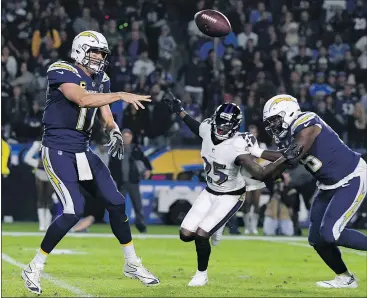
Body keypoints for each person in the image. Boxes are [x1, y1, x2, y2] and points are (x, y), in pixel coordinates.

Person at [21, 30, 159, 295]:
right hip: (58, 148)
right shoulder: (61, 69)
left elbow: (105, 116)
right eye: (94, 51)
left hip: (83, 150)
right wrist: (120, 94)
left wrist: (114, 130)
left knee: (117, 202)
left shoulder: (102, 78)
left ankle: (132, 263)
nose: (98, 57)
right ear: (79, 50)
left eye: (101, 53)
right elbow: (83, 99)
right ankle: (35, 266)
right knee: (73, 210)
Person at [162, 91, 302, 287]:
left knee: (202, 235)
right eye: (219, 122)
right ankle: (217, 226)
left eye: (226, 125)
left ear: (235, 126)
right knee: (185, 235)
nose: (221, 128)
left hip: (231, 195)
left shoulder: (239, 144)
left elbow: (261, 170)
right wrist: (179, 110)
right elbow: (195, 126)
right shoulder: (208, 128)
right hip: (209, 191)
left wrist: (285, 157)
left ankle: (201, 275)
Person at [248, 94, 367, 288]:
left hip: (351, 177)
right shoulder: (285, 136)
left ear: (288, 112)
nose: (272, 126)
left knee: (330, 233)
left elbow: (293, 155)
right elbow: (281, 165)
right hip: (327, 185)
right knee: (316, 238)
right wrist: (251, 166)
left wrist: (257, 152)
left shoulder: (306, 120)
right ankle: (345, 278)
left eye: (275, 120)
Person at [109, 128, 152, 233]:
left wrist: (148, 171)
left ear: (131, 137)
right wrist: (113, 178)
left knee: (138, 205)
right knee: (118, 205)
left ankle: (141, 226)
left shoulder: (136, 149)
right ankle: (118, 225)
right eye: (124, 136)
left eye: (128, 136)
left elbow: (146, 162)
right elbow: (111, 166)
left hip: (133, 182)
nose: (126, 138)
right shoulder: (116, 149)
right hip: (121, 182)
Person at [24, 139, 54, 231]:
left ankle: (47, 224)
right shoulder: (39, 144)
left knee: (49, 199)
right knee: (41, 198)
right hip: (40, 171)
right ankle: (42, 224)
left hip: (51, 172)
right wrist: (37, 162)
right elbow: (27, 158)